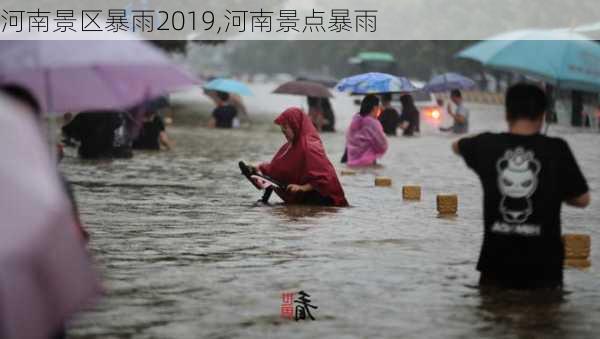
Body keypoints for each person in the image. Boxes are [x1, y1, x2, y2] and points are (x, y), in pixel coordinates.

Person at [452, 83, 590, 289]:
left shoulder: (487, 145)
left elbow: (456, 145)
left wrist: (489, 138)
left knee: (494, 314)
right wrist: (550, 188)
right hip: (544, 270)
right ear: (543, 114)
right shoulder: (557, 148)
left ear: (507, 113)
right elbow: (582, 199)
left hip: (495, 267)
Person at [253, 107, 348, 206]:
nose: (283, 131)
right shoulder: (290, 146)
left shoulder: (310, 146)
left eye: (285, 127)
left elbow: (324, 178)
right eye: (281, 128)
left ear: (295, 125)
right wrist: (260, 167)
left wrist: (302, 188)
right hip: (305, 200)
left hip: (325, 201)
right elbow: (278, 168)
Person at [62, 111, 133, 159]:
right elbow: (119, 125)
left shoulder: (83, 115)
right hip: (107, 155)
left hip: (88, 155)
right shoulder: (113, 114)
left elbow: (67, 132)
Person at [343, 94, 388, 167]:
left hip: (351, 162)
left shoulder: (355, 120)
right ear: (375, 107)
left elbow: (348, 139)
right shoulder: (373, 122)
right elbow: (382, 144)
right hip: (368, 162)